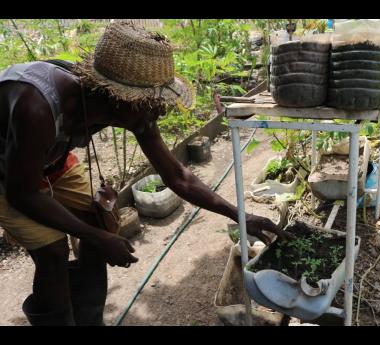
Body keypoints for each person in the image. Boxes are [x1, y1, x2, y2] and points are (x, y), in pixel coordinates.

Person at [0, 21, 290, 326]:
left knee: (98, 221)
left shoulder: (131, 110)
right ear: (120, 97)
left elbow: (178, 176)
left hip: (51, 160)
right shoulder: (37, 107)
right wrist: (97, 237)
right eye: (152, 103)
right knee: (53, 253)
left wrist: (238, 214)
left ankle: (88, 319)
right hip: (10, 175)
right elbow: (24, 193)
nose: (159, 112)